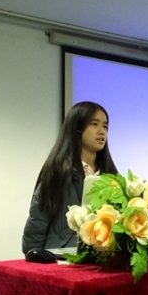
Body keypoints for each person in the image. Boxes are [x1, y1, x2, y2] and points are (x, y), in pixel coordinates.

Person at [22, 101, 118, 254]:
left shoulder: (110, 175)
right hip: (62, 256)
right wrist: (34, 255)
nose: (102, 132)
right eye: (94, 124)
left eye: (105, 126)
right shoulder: (60, 171)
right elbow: (39, 219)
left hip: (100, 255)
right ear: (76, 128)